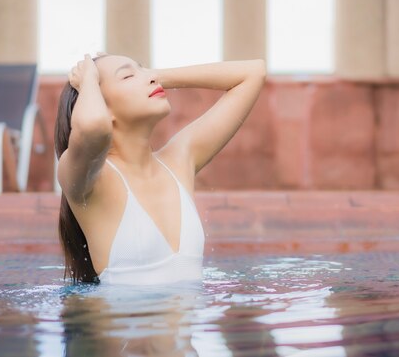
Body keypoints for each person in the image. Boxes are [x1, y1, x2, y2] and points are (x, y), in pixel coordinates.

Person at [54, 53, 266, 284]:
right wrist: (87, 81)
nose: (150, 77)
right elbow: (93, 127)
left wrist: (154, 77)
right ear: (103, 107)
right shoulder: (87, 182)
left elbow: (253, 73)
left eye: (144, 70)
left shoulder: (179, 160)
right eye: (127, 76)